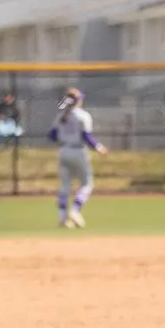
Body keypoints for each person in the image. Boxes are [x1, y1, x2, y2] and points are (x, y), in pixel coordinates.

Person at [49, 86, 107, 228]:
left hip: (64, 151)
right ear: (79, 100)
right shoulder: (83, 116)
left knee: (64, 187)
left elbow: (52, 135)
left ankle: (63, 218)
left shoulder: (61, 115)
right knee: (87, 184)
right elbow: (86, 136)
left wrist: (65, 138)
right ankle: (75, 211)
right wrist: (98, 147)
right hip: (78, 151)